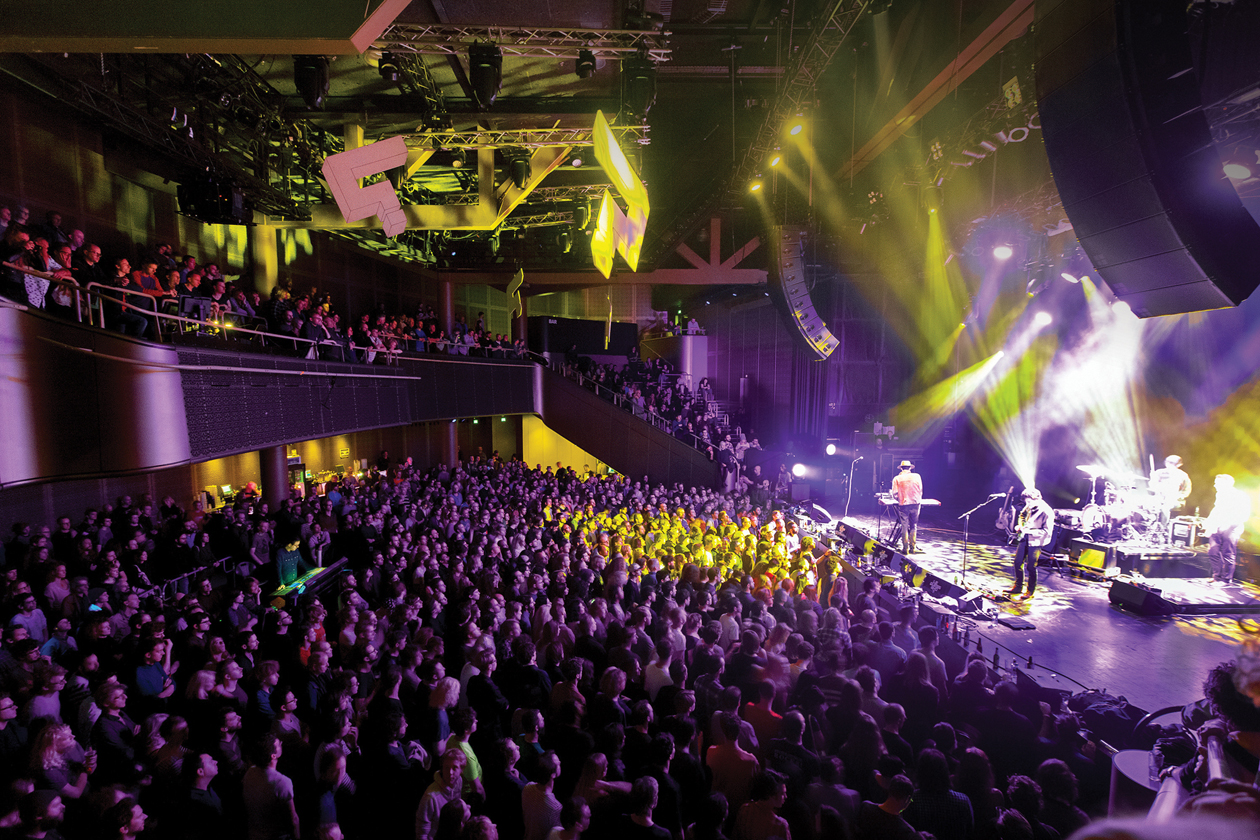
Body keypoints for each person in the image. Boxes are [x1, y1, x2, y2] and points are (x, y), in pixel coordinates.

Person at [1008, 488, 1053, 601]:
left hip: (1037, 541)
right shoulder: (1029, 504)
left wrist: (1028, 531)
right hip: (1025, 538)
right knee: (1018, 563)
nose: (1027, 504)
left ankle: (1030, 591)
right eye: (1026, 502)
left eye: (1029, 502)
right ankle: (1018, 587)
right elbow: (1022, 515)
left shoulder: (1047, 511)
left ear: (1037, 498)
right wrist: (1020, 525)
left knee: (1031, 567)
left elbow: (1046, 532)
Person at [1205, 474, 1250, 586]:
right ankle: (1217, 577)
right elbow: (1217, 510)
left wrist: (1227, 525)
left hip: (1232, 527)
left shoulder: (1239, 495)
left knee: (1228, 553)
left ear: (1227, 483)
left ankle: (1226, 579)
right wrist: (1209, 523)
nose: (1215, 485)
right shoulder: (1219, 494)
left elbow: (1243, 514)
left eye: (1217, 483)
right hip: (1219, 526)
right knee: (1213, 551)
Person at [1149, 455, 1192, 539]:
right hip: (1159, 498)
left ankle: (1163, 530)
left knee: (1165, 506)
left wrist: (1178, 496)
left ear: (1179, 464)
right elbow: (1152, 486)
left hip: (1175, 500)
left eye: (1172, 463)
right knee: (1147, 503)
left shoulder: (1182, 475)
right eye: (1168, 462)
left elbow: (1186, 490)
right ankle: (1149, 528)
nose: (1169, 464)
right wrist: (1152, 479)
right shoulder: (1159, 472)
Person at [888, 460, 923, 554]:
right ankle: (913, 548)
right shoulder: (917, 476)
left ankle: (905, 549)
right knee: (913, 525)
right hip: (916, 503)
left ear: (901, 468)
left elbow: (894, 493)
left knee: (904, 526)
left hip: (904, 504)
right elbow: (920, 490)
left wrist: (899, 499)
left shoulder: (897, 478)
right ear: (910, 468)